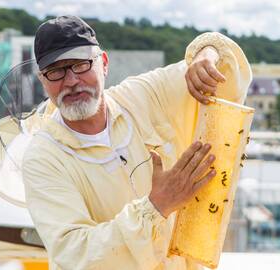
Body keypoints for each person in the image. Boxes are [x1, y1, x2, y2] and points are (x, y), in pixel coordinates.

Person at [22, 15, 251, 270]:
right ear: (43, 81)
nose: (72, 81)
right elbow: (77, 255)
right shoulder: (42, 158)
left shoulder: (142, 96)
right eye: (56, 71)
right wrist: (157, 206)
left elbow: (226, 66)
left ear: (104, 63)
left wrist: (205, 57)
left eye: (81, 65)